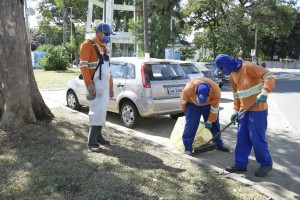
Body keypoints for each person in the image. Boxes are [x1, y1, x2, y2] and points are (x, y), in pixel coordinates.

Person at [214, 54, 276, 177]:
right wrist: (235, 110)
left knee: (256, 138)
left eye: (222, 69)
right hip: (243, 111)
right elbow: (236, 95)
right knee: (242, 138)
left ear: (226, 65)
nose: (222, 72)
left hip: (258, 109)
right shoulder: (232, 75)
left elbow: (269, 75)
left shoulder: (249, 66)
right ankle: (240, 164)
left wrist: (265, 91)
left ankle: (266, 164)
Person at [79, 23, 115, 153]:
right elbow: (83, 66)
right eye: (106, 34)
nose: (108, 37)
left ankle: (99, 137)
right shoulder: (87, 44)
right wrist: (89, 83)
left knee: (102, 112)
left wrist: (111, 87)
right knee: (96, 112)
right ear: (99, 32)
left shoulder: (105, 48)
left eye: (109, 34)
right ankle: (92, 142)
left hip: (104, 87)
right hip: (95, 85)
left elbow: (108, 70)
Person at [180, 78, 230, 155]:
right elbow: (183, 100)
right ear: (196, 92)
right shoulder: (189, 88)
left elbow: (215, 109)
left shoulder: (215, 90)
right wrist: (184, 109)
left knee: (214, 124)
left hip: (208, 105)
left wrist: (210, 120)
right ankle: (188, 148)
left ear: (209, 92)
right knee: (191, 126)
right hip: (193, 105)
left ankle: (218, 144)